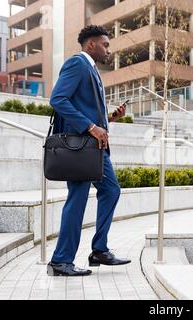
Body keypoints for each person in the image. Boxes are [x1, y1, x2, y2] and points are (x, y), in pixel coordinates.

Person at [47, 25, 130, 276]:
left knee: (111, 190)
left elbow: (83, 107)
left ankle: (99, 250)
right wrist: (92, 127)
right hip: (81, 148)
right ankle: (60, 261)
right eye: (105, 44)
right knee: (78, 198)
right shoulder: (77, 64)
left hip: (94, 148)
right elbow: (58, 99)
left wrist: (108, 119)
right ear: (91, 44)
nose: (108, 50)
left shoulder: (91, 70)